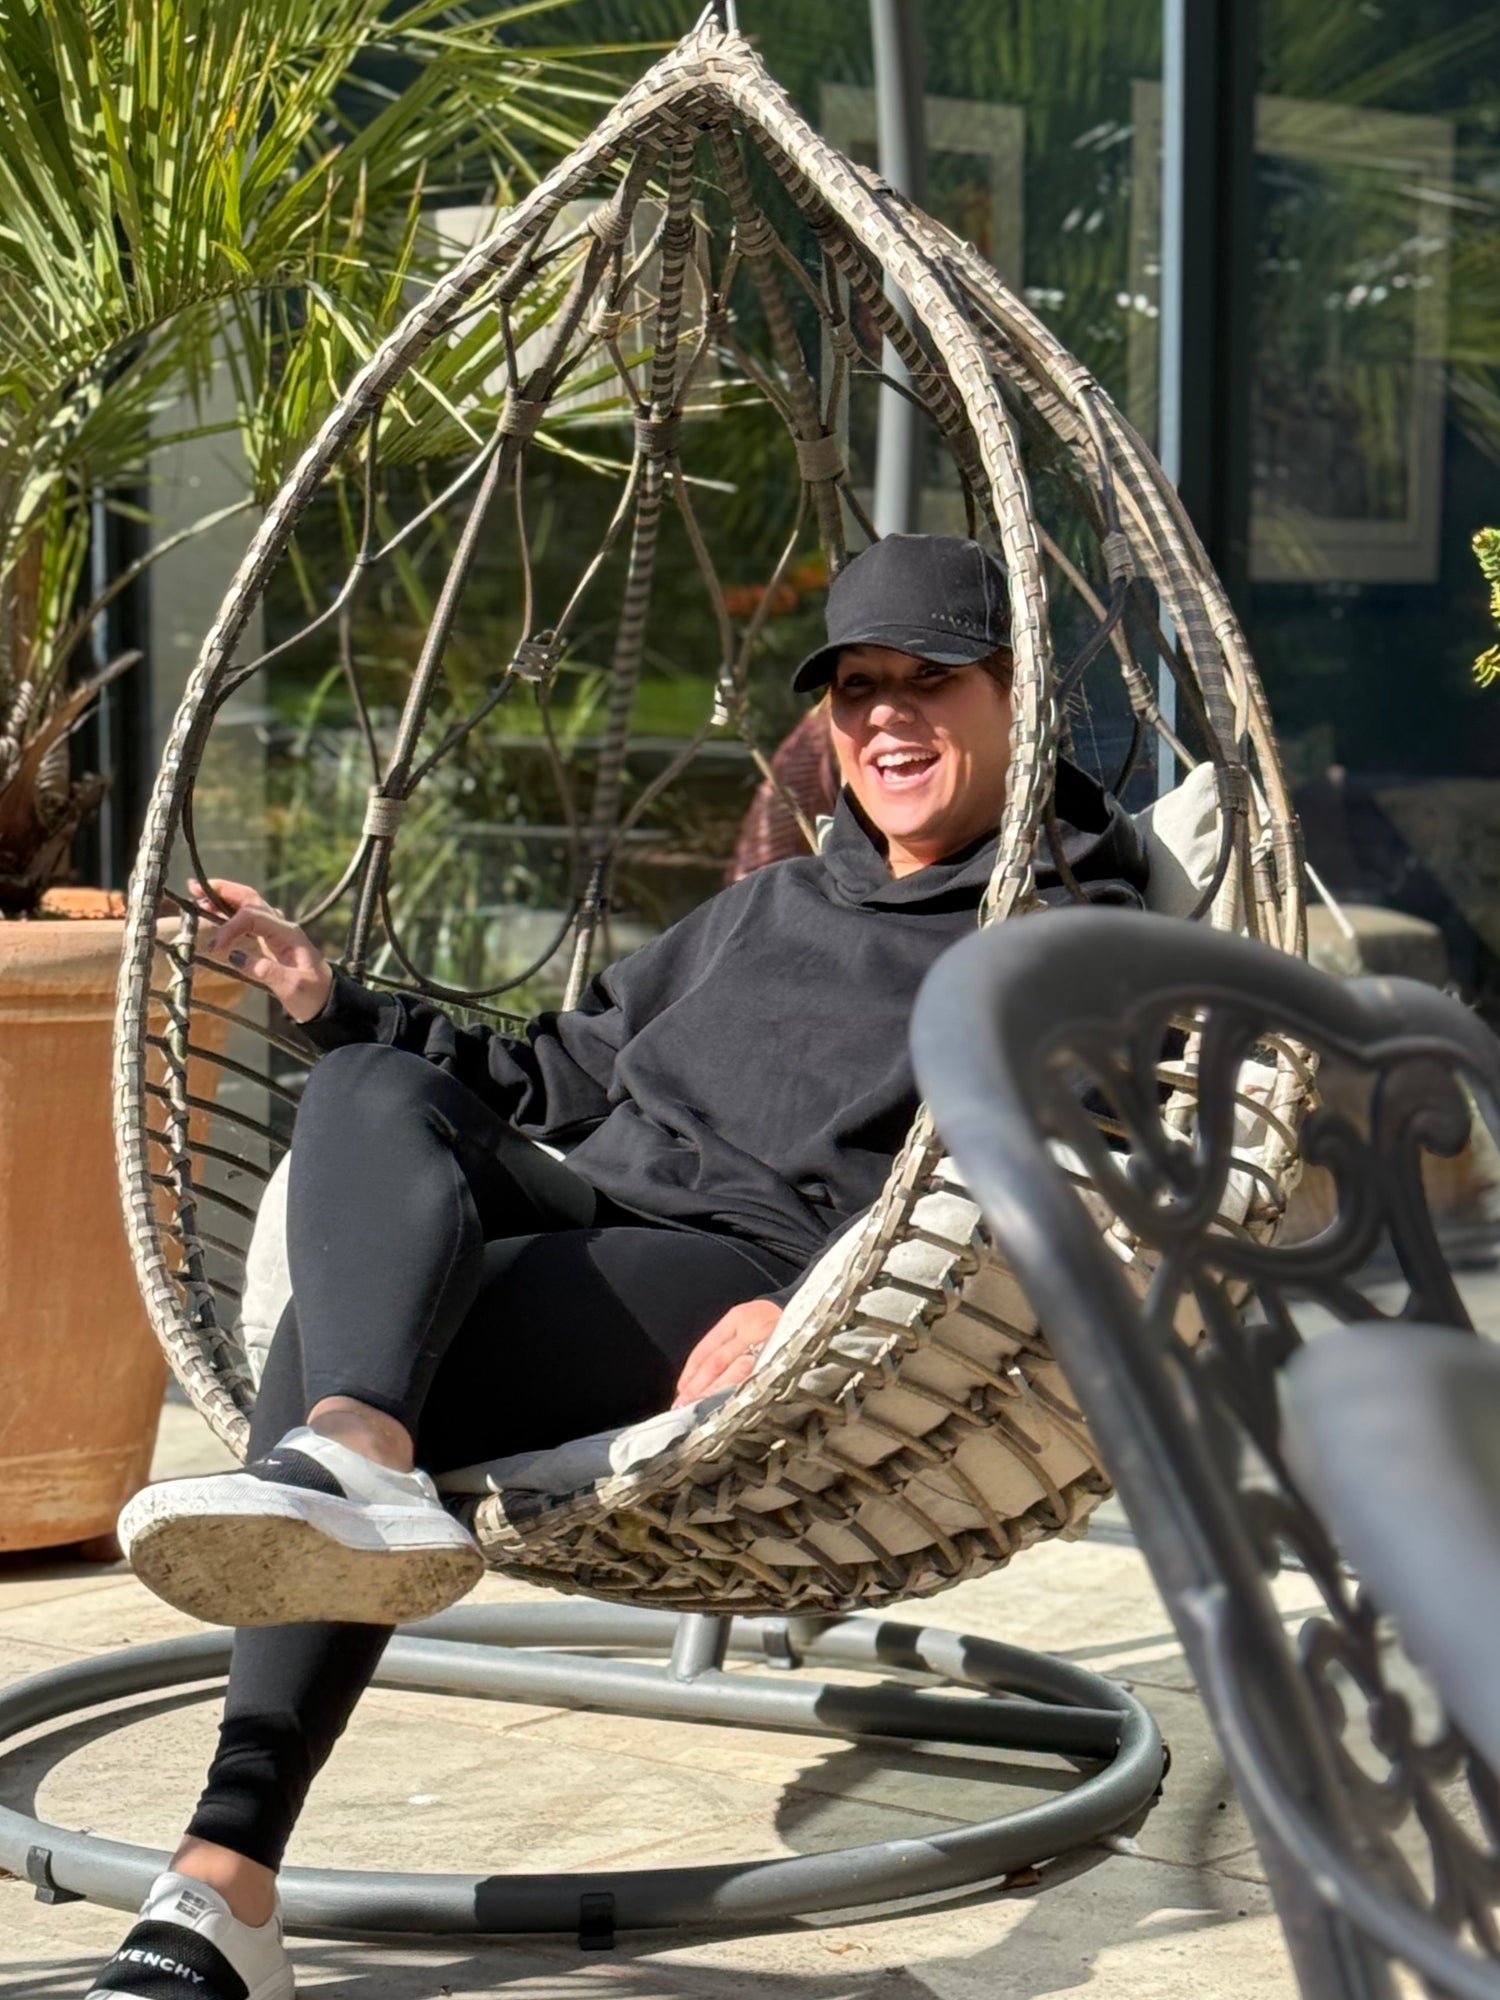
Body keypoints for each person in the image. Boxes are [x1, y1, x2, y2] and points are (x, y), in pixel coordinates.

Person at [90, 533, 1148, 2000]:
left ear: (1018, 698)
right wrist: (327, 999)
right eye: (856, 688)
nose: (888, 718)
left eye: (932, 680)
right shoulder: (767, 908)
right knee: (367, 1092)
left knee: (340, 1355)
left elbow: (1037, 1176)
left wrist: (814, 1311)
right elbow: (548, 1076)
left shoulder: (1065, 938)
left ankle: (220, 1877)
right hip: (596, 1202)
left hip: (743, 1276)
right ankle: (355, 1455)